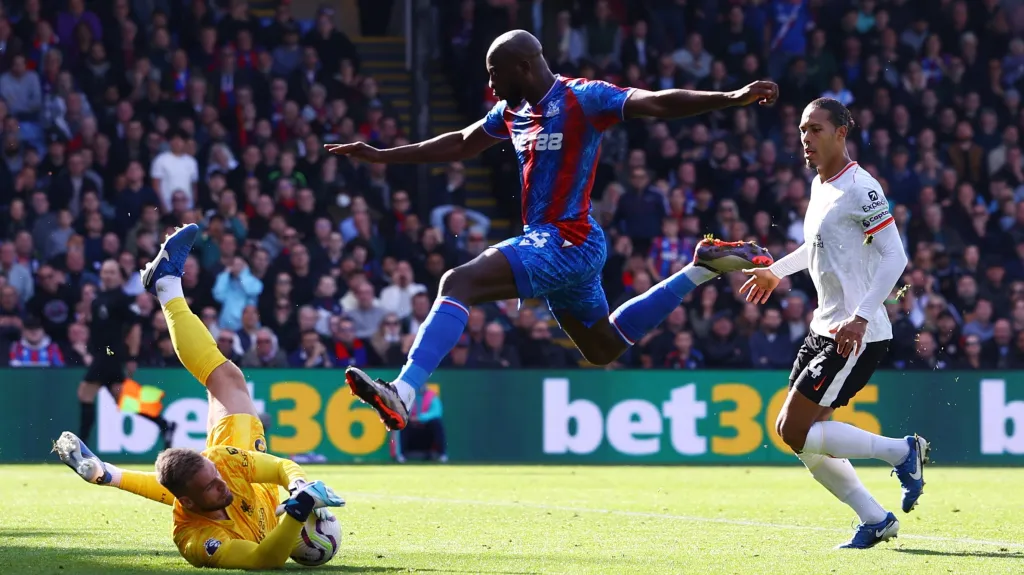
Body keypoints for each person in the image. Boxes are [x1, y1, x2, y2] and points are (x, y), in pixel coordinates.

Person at [326, 30, 778, 430]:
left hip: (568, 238)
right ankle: (700, 268)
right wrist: (383, 156)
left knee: (457, 282)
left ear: (523, 67)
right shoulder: (511, 112)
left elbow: (656, 101)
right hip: (562, 244)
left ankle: (405, 390)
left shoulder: (584, 97)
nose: (490, 85)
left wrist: (730, 96)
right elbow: (462, 142)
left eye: (495, 74)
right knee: (601, 348)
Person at [54, 225, 345, 569]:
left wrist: (298, 486)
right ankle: (151, 422)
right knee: (119, 393)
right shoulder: (195, 539)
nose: (222, 483)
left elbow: (279, 466)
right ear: (188, 504)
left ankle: (166, 287)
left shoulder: (222, 464)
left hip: (115, 358)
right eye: (211, 485)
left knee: (224, 379)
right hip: (101, 358)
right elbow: (261, 560)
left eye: (215, 474)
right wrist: (296, 514)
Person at [740, 98, 926, 550]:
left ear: (842, 132)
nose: (806, 138)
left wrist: (860, 317)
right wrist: (776, 272)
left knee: (792, 430)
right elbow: (817, 246)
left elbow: (895, 256)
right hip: (825, 328)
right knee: (803, 439)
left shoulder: (862, 188)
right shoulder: (820, 185)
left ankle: (902, 451)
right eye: (802, 130)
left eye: (816, 129)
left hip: (856, 335)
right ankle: (875, 518)